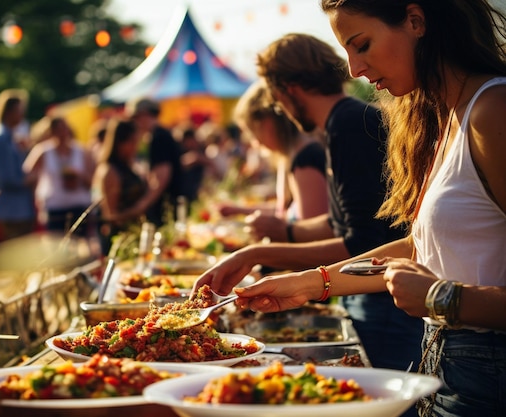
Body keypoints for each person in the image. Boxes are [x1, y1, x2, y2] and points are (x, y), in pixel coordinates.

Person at [204, 1, 506, 416]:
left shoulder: (493, 110)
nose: (354, 68)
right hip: (447, 367)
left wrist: (441, 297)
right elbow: (422, 247)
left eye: (361, 45)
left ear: (416, 21)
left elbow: (430, 277)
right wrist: (308, 283)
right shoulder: (443, 118)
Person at [193, 33, 425, 382]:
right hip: (372, 297)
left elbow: (360, 244)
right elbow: (340, 224)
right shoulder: (341, 123)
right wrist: (255, 252)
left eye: (274, 95)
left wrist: (256, 253)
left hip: (384, 304)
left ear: (287, 88)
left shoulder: (348, 124)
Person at [221, 79, 329, 237]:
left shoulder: (305, 159)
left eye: (253, 130)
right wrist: (238, 210)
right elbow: (284, 211)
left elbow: (310, 233)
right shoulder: (292, 155)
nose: (255, 142)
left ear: (268, 123)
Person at [0, 89, 36, 244]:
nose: (22, 115)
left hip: (11, 209)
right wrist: (31, 178)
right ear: (9, 112)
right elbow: (8, 178)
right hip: (12, 210)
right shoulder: (1, 139)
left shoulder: (5, 137)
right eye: (19, 111)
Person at [23, 116, 94, 238]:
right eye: (58, 130)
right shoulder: (43, 151)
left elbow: (92, 180)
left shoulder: (81, 151)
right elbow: (27, 175)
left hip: (78, 204)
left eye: (64, 129)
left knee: (80, 243)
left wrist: (79, 176)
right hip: (55, 205)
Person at [92, 118, 151, 254]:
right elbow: (111, 216)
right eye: (132, 142)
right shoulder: (110, 171)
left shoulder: (129, 165)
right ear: (120, 142)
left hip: (133, 236)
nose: (136, 146)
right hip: (119, 241)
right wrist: (139, 208)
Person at [125, 97, 183, 227]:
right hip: (169, 203)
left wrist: (141, 205)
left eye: (134, 117)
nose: (133, 122)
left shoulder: (158, 137)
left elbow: (161, 177)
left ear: (145, 114)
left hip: (165, 206)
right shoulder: (160, 134)